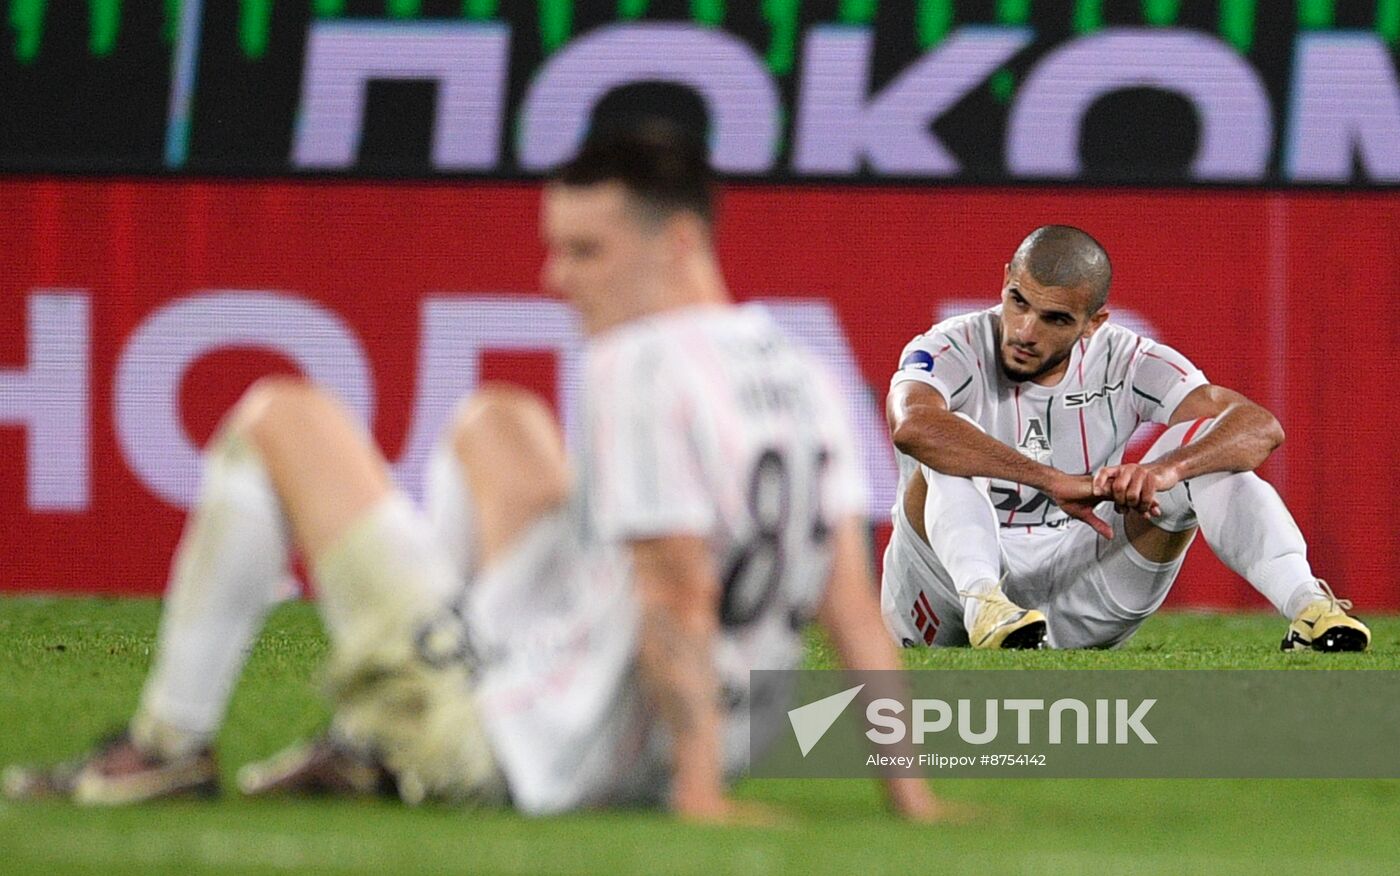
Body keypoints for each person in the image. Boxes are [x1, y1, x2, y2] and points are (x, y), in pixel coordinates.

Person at [4, 123, 940, 822]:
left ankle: (168, 746)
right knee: (497, 421)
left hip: (536, 756)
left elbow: (677, 593)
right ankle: (371, 740)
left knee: (277, 420)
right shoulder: (803, 367)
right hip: (691, 736)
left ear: (680, 244)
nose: (553, 278)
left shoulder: (642, 367)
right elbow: (851, 606)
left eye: (586, 250)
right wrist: (912, 800)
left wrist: (697, 798)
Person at [881, 225, 1370, 652]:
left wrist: (1167, 469)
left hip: (1078, 585)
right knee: (950, 440)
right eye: (1018, 301)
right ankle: (987, 603)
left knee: (1207, 447)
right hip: (944, 593)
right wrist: (1051, 479)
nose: (1025, 331)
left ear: (1094, 322)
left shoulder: (1129, 359)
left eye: (1055, 319)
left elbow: (1259, 425)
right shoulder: (949, 346)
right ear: (1006, 279)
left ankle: (1307, 605)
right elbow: (912, 425)